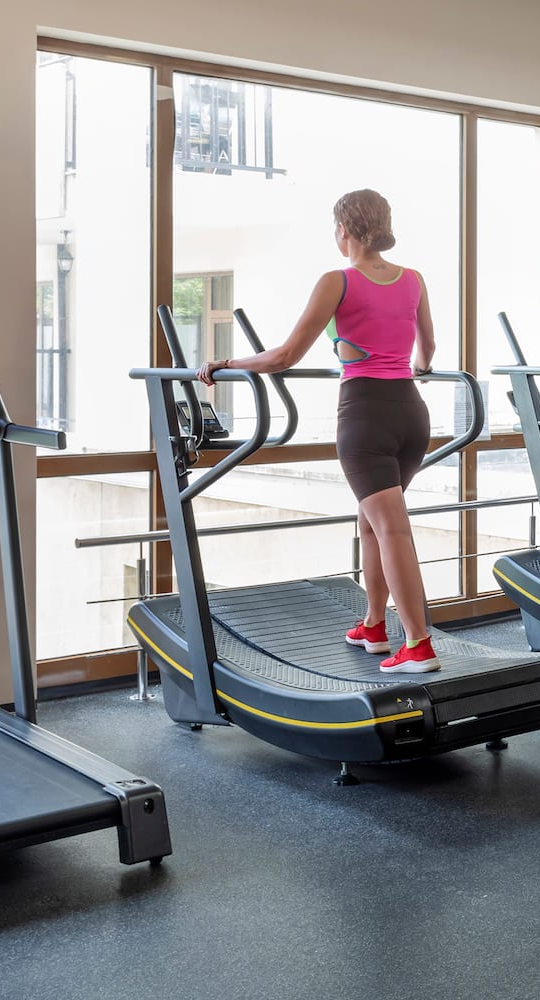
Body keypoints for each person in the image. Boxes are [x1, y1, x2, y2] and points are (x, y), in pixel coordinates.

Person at [196, 188, 442, 673]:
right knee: (372, 521)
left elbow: (285, 357)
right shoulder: (413, 279)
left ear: (344, 231)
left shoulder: (337, 281)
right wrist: (412, 366)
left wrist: (225, 364)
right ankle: (374, 624)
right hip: (412, 413)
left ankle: (417, 643)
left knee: (390, 527)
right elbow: (427, 350)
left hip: (365, 414)